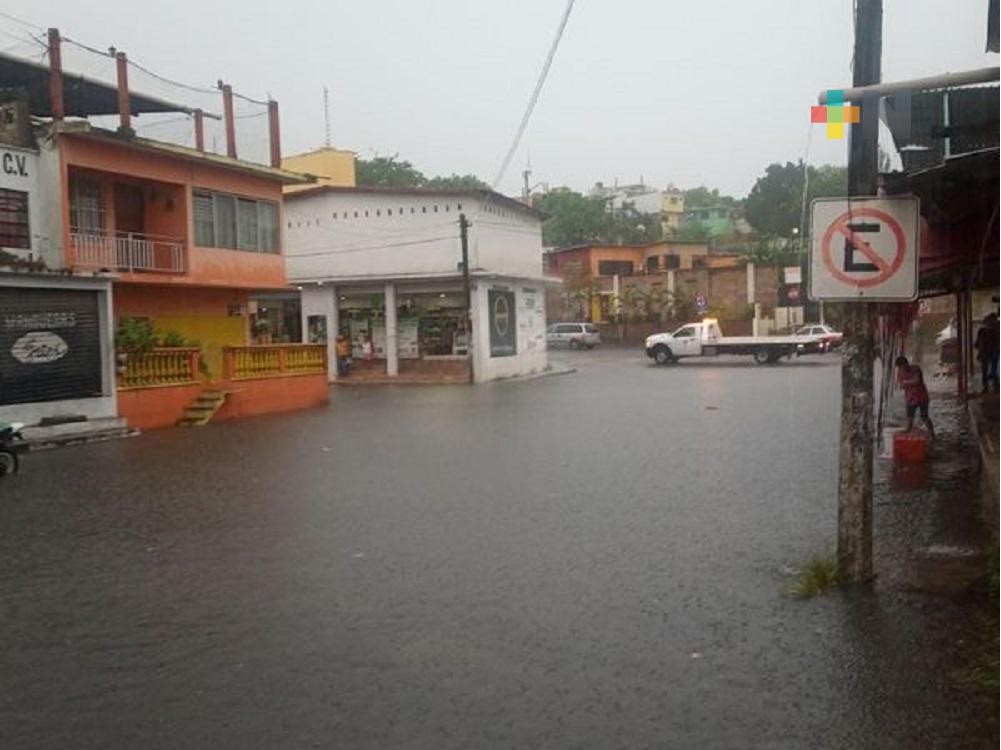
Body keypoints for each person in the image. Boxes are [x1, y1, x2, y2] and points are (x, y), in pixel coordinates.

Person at [895, 355, 934, 440]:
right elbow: (901, 385)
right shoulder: (900, 373)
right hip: (910, 398)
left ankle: (932, 434)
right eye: (900, 367)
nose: (902, 369)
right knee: (909, 421)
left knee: (924, 417)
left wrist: (906, 382)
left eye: (902, 366)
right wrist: (908, 383)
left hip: (922, 397)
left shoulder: (916, 369)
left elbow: (917, 381)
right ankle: (908, 439)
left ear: (906, 364)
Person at [974, 312, 1000, 393]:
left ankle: (988, 387)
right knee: (994, 370)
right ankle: (995, 387)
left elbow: (977, 344)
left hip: (988, 353)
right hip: (992, 353)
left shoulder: (982, 331)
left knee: (987, 370)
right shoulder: (996, 329)